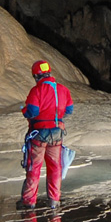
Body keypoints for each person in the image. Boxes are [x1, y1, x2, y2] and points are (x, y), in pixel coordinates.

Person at [19, 59, 73, 210]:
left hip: (39, 133)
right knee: (55, 167)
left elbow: (32, 112)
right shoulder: (63, 90)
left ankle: (29, 202)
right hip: (57, 134)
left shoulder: (37, 91)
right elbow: (69, 110)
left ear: (36, 76)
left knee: (34, 167)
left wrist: (24, 110)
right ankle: (54, 201)